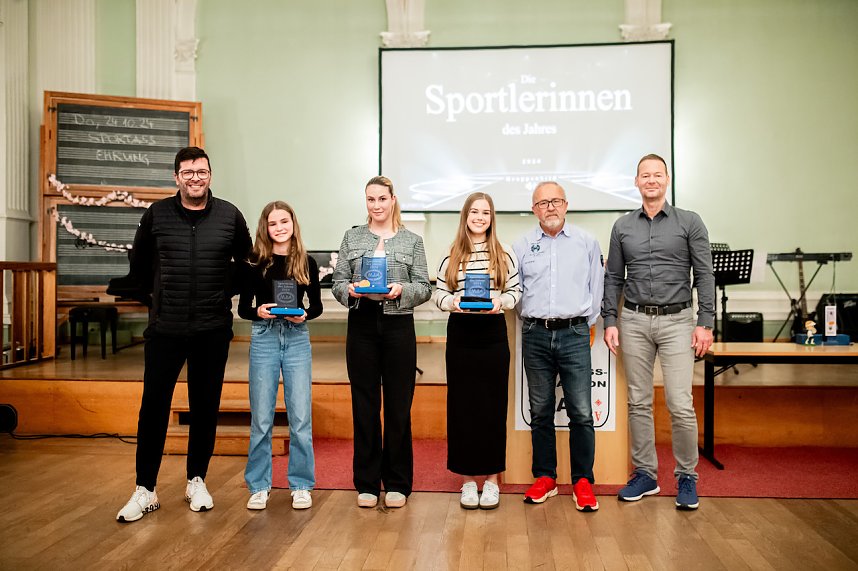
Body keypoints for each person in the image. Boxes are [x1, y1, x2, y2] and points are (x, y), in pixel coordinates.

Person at [116, 146, 252, 522]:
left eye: (202, 171)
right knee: (153, 409)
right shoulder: (156, 215)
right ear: (176, 177)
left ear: (210, 174)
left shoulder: (229, 215)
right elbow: (138, 268)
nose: (196, 178)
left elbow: (246, 261)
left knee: (205, 408)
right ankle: (145, 489)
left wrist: (223, 292)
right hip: (166, 330)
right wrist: (159, 302)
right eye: (188, 172)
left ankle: (197, 480)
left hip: (212, 328)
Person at [602, 153, 715, 511]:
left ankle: (686, 478)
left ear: (666, 180)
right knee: (638, 401)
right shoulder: (622, 227)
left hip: (679, 321)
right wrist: (610, 320)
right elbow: (614, 278)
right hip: (633, 320)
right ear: (636, 182)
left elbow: (705, 275)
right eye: (644, 175)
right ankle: (646, 475)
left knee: (680, 404)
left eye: (657, 175)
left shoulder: (690, 222)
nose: (651, 180)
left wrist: (706, 322)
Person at [332, 176, 431, 509]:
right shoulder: (352, 237)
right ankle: (367, 483)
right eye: (370, 200)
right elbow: (338, 281)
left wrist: (403, 290)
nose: (376, 205)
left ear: (393, 200)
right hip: (361, 323)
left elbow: (424, 287)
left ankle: (399, 483)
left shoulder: (412, 241)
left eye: (382, 199)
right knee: (364, 404)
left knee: (399, 406)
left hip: (398, 325)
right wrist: (347, 289)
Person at [512, 181, 604, 512]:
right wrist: (537, 320)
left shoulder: (586, 243)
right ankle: (546, 477)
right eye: (542, 203)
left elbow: (597, 288)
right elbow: (517, 293)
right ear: (534, 209)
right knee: (540, 411)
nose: (550, 207)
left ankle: (582, 480)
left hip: (575, 333)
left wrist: (582, 322)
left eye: (556, 201)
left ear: (566, 205)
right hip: (535, 334)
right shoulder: (520, 245)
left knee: (581, 412)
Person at [432, 192, 521, 510]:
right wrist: (453, 302)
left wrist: (502, 302)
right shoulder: (452, 252)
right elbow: (439, 292)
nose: (480, 217)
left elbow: (515, 291)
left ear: (492, 217)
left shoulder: (504, 251)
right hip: (461, 334)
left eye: (485, 212)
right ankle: (469, 480)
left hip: (493, 334)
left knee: (493, 407)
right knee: (463, 407)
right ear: (465, 215)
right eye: (474, 211)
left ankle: (493, 480)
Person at [238, 201, 323, 511]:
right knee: (261, 418)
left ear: (293, 223)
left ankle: (301, 484)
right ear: (266, 227)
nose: (279, 228)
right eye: (273, 223)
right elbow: (243, 308)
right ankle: (259, 486)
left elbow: (316, 306)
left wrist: (304, 315)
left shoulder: (306, 262)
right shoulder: (254, 261)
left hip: (297, 339)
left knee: (300, 417)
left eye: (284, 221)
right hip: (264, 338)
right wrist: (258, 311)